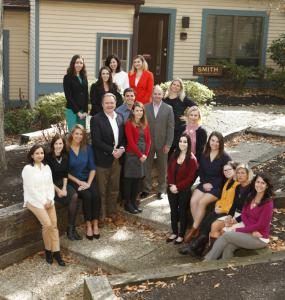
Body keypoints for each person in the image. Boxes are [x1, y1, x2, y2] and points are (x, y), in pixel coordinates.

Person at [205, 173, 274, 261]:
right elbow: (244, 215)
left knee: (226, 235)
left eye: (263, 183)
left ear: (267, 186)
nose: (259, 185)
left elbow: (261, 225)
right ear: (254, 183)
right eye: (258, 182)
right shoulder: (251, 196)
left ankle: (207, 261)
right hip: (251, 232)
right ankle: (224, 265)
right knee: (229, 246)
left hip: (260, 238)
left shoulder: (268, 203)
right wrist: (251, 230)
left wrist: (238, 230)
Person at [179, 161, 239, 256]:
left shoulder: (237, 185)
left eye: (229, 169)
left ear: (235, 170)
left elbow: (234, 203)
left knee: (211, 223)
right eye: (225, 170)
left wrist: (222, 209)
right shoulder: (228, 182)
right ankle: (198, 248)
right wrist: (217, 205)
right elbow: (222, 198)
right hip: (221, 209)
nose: (226, 172)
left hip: (228, 212)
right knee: (205, 222)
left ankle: (195, 247)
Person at [22, 145, 65, 266]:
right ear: (32, 155)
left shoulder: (46, 168)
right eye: (37, 153)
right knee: (47, 224)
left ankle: (56, 252)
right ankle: (48, 250)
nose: (40, 155)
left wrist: (50, 199)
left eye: (41, 153)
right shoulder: (27, 169)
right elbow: (31, 189)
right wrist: (43, 201)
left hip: (48, 200)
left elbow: (50, 185)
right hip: (33, 201)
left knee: (54, 225)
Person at [185, 131, 231, 242]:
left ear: (221, 143)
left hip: (217, 187)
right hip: (205, 183)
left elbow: (227, 176)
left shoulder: (225, 157)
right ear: (209, 141)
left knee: (202, 202)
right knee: (193, 201)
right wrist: (204, 182)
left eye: (217, 141)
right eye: (212, 140)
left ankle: (193, 229)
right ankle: (198, 228)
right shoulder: (204, 153)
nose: (214, 143)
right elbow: (200, 170)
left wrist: (215, 185)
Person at [90, 93, 125, 221]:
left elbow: (123, 138)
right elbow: (96, 141)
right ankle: (102, 215)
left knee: (114, 188)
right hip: (102, 160)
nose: (110, 105)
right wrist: (112, 151)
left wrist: (121, 149)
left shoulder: (120, 117)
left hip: (117, 159)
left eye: (112, 103)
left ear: (115, 104)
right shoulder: (96, 119)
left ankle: (112, 212)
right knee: (102, 190)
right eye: (107, 103)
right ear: (102, 104)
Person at [67, 125, 100, 240]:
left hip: (88, 179)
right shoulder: (66, 149)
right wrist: (79, 182)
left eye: (81, 134)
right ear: (72, 134)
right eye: (76, 133)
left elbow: (92, 168)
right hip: (74, 180)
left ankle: (95, 223)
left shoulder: (87, 148)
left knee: (95, 195)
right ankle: (88, 225)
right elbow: (65, 172)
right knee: (87, 195)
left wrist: (89, 183)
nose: (79, 136)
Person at [46, 134, 82, 241]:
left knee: (75, 196)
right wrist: (58, 190)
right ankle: (71, 229)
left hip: (63, 183)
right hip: (51, 185)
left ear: (63, 144)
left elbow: (65, 174)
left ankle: (71, 228)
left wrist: (65, 188)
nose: (58, 146)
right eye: (56, 144)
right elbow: (46, 178)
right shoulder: (48, 157)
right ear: (53, 145)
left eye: (60, 143)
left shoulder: (65, 155)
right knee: (73, 199)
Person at [141, 85, 174, 199]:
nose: (157, 96)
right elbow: (142, 126)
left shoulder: (168, 108)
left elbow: (170, 127)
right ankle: (146, 188)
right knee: (146, 166)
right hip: (148, 143)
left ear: (162, 95)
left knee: (163, 167)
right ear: (152, 94)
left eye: (159, 94)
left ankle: (161, 189)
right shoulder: (145, 107)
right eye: (155, 93)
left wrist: (168, 144)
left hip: (163, 142)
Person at [166, 134, 198, 244]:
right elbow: (169, 171)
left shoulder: (192, 159)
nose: (182, 143)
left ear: (188, 144)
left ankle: (181, 234)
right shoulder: (174, 154)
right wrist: (171, 185)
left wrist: (178, 187)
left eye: (185, 142)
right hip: (171, 188)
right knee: (173, 210)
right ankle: (174, 232)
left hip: (184, 190)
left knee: (182, 212)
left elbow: (190, 178)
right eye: (180, 141)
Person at [209, 163, 253, 240]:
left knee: (224, 232)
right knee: (214, 225)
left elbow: (249, 211)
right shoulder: (238, 187)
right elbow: (234, 204)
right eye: (238, 173)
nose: (240, 175)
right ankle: (213, 249)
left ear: (248, 175)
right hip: (235, 214)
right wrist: (229, 216)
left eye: (243, 173)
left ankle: (215, 249)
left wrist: (235, 221)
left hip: (246, 217)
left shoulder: (252, 189)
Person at [124, 101, 151, 214]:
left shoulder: (144, 123)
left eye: (141, 110)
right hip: (132, 155)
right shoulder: (129, 124)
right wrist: (140, 155)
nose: (139, 113)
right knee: (130, 180)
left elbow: (149, 140)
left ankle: (134, 202)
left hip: (142, 156)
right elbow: (130, 142)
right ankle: (128, 203)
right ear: (133, 111)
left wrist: (145, 154)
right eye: (137, 110)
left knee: (138, 181)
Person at [163, 78, 197, 156]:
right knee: (168, 150)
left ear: (180, 88)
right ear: (171, 86)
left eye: (178, 85)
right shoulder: (165, 98)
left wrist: (188, 117)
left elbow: (195, 107)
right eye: (174, 84)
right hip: (167, 128)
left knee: (179, 149)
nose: (175, 86)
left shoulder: (183, 98)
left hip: (179, 128)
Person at [63, 55, 88, 131]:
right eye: (77, 62)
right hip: (72, 110)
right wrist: (77, 112)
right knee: (73, 134)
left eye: (81, 63)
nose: (79, 65)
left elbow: (86, 94)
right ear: (73, 63)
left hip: (82, 111)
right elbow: (68, 96)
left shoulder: (84, 77)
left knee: (81, 134)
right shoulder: (67, 77)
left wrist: (86, 111)